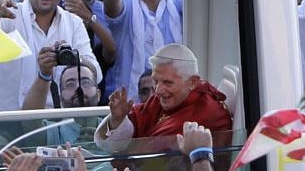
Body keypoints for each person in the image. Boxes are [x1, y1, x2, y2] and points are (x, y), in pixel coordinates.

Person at [0, 0, 101, 111]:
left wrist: (71, 56)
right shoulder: (7, 14)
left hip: (55, 121)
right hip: (5, 118)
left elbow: (96, 73)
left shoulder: (74, 23)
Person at [95, 44, 232, 151]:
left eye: (167, 82)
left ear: (192, 82)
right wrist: (117, 119)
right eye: (155, 81)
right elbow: (138, 120)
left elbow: (146, 157)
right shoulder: (165, 97)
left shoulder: (207, 112)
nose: (158, 90)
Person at [101, 0, 182, 101]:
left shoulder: (178, 1)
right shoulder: (127, 3)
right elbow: (111, 8)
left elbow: (200, 5)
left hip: (173, 100)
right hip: (131, 103)